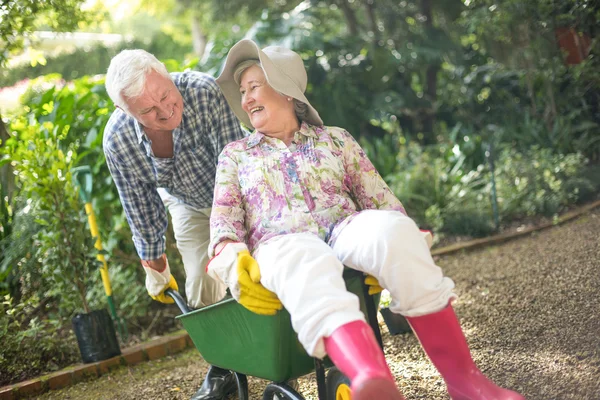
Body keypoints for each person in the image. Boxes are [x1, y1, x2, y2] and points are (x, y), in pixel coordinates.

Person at [206, 39, 526, 400]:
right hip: (281, 244)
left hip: (343, 229)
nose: (246, 99)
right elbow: (224, 227)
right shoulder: (235, 156)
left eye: (254, 87)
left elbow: (383, 203)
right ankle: (371, 380)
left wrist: (396, 249)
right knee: (303, 258)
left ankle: (466, 383)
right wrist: (233, 261)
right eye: (242, 91)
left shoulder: (336, 140)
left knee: (394, 231)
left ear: (287, 90)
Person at [103, 49, 246, 400]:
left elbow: (236, 162)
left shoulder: (202, 91)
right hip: (189, 204)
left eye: (165, 95)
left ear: (168, 76)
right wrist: (154, 263)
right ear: (125, 112)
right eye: (148, 110)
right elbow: (142, 206)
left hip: (242, 191)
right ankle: (223, 369)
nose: (165, 111)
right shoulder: (118, 140)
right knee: (201, 279)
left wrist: (230, 237)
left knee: (260, 265)